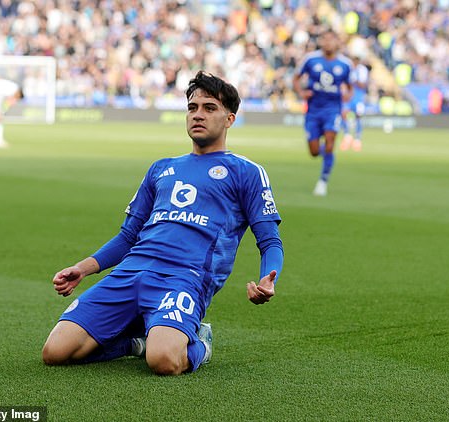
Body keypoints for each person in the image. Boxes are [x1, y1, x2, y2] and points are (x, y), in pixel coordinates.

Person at [42, 71, 284, 376]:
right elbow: (128, 235)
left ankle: (200, 342)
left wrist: (267, 279)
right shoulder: (162, 168)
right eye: (192, 108)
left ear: (230, 119)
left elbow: (270, 240)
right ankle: (135, 343)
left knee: (164, 361)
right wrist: (83, 268)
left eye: (210, 108)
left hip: (184, 278)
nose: (198, 115)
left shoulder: (246, 172)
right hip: (130, 273)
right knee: (55, 352)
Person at [292, 29, 353, 196]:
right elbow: (296, 78)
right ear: (320, 42)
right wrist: (301, 92)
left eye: (331, 40)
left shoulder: (345, 64)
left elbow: (350, 86)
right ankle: (327, 155)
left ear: (337, 42)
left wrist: (348, 96)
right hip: (313, 110)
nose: (327, 43)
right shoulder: (311, 59)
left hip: (333, 109)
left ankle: (323, 181)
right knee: (313, 151)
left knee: (330, 142)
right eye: (324, 39)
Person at [340, 56, 371, 152]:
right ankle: (347, 136)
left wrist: (354, 80)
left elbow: (363, 84)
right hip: (349, 96)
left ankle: (357, 139)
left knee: (358, 116)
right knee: (343, 114)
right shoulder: (348, 68)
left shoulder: (362, 70)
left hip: (358, 97)